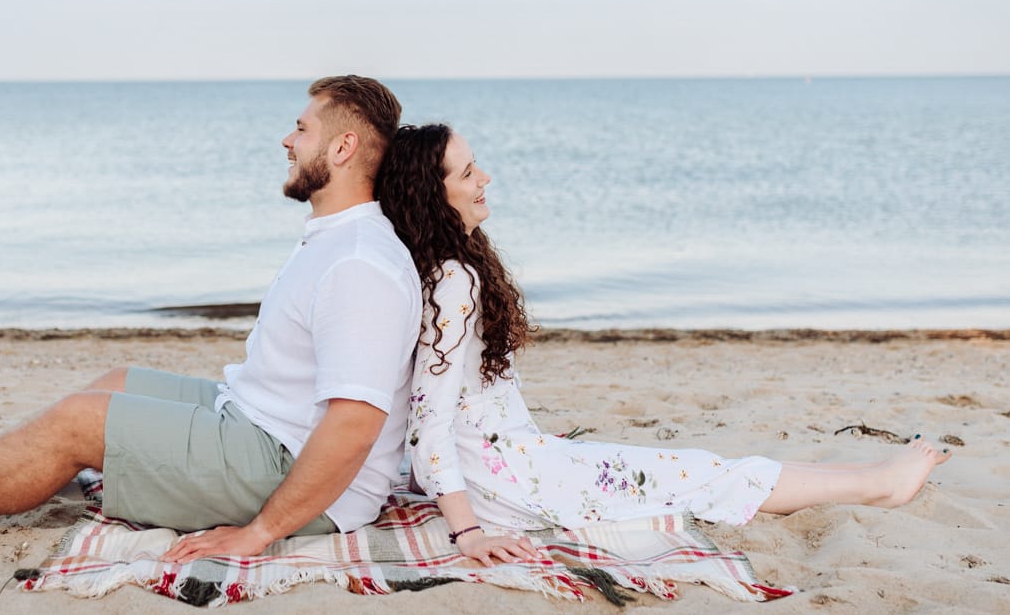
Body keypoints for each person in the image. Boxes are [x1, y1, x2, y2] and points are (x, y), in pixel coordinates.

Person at [0, 76, 424, 565]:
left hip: (288, 464)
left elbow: (355, 422)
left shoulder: (359, 261)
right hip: (259, 421)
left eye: (302, 129)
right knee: (112, 382)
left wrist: (261, 531)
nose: (287, 138)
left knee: (77, 424)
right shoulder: (338, 239)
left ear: (342, 147)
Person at [373, 123, 951, 568]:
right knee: (700, 475)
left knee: (699, 468)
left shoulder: (454, 267)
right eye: (469, 172)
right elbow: (428, 422)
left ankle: (871, 473)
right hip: (508, 484)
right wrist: (469, 532)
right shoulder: (454, 281)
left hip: (517, 463)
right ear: (434, 194)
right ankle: (881, 484)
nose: (485, 179)